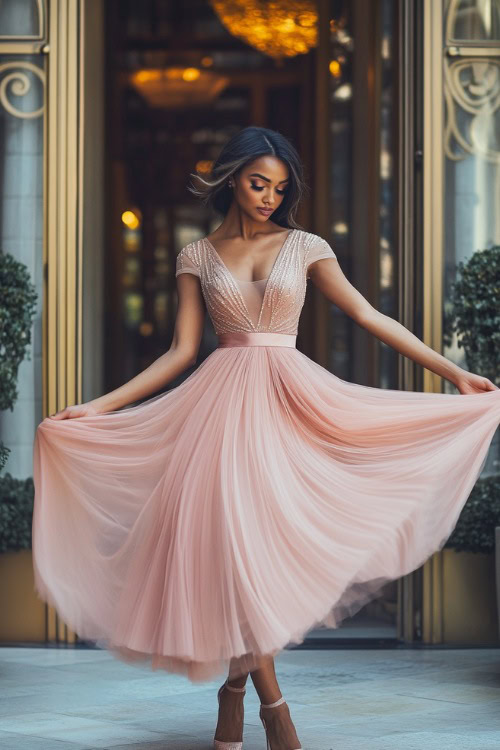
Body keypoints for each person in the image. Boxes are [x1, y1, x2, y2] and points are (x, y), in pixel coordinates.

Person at [33, 125, 500, 750]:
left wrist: (453, 372)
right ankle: (273, 707)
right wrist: (95, 408)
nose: (269, 197)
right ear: (231, 179)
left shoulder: (306, 246)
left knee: (259, 556)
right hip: (218, 414)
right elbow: (180, 353)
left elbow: (368, 315)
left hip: (291, 406)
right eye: (258, 183)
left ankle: (236, 694)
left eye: (280, 188)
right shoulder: (196, 255)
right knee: (232, 554)